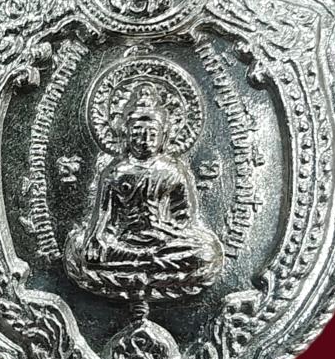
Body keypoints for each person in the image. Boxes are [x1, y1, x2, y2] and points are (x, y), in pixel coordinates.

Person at [64, 83, 224, 301]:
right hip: (123, 241)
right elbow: (103, 215)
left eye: (152, 134)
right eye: (138, 133)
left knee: (206, 252)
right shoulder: (116, 172)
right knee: (78, 248)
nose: (145, 140)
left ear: (164, 135)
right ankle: (151, 268)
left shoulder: (172, 171)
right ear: (126, 133)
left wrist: (165, 230)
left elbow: (184, 217)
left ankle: (138, 268)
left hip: (164, 242)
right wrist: (95, 239)